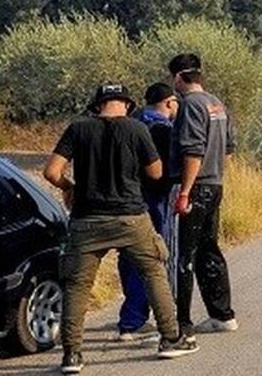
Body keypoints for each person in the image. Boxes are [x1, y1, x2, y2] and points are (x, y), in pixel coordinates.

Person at [43, 83, 198, 373]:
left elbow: (51, 172)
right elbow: (156, 172)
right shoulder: (137, 129)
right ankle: (170, 339)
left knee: (77, 286)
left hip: (86, 220)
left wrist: (70, 187)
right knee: (154, 272)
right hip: (131, 218)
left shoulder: (78, 129)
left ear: (97, 104)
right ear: (126, 104)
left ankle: (72, 356)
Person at [168, 54, 238, 336]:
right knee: (210, 250)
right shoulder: (217, 104)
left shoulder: (190, 105)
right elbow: (229, 149)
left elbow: (193, 151)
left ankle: (182, 323)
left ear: (177, 78)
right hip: (215, 184)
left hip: (196, 188)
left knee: (184, 256)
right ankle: (223, 315)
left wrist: (185, 192)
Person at [114, 83, 179, 341]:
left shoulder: (129, 122)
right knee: (149, 259)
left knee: (127, 258)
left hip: (124, 200)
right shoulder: (161, 129)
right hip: (151, 200)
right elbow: (160, 171)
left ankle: (132, 313)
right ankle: (133, 320)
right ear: (169, 102)